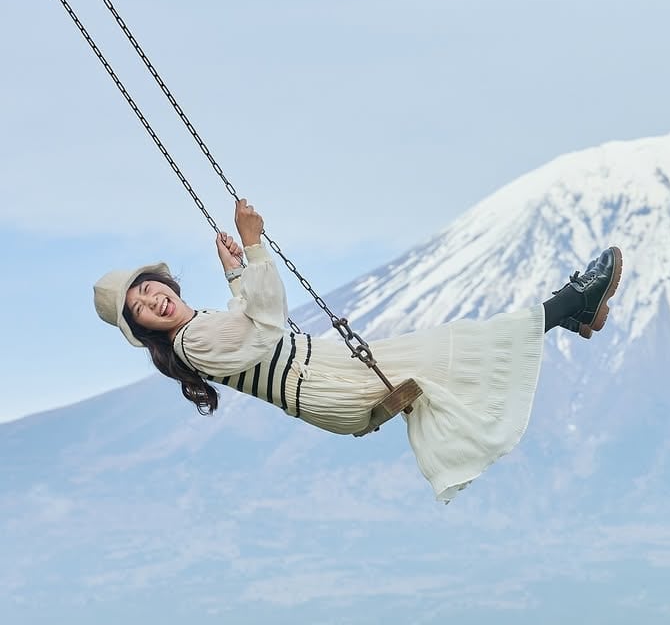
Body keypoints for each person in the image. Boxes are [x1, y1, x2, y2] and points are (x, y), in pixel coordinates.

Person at [94, 200, 622, 503]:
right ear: (145, 330)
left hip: (328, 375)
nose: (152, 299)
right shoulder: (194, 339)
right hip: (330, 387)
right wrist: (253, 246)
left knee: (452, 345)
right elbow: (269, 322)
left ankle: (570, 311)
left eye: (149, 287)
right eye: (140, 306)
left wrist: (237, 271)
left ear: (167, 284)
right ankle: (569, 302)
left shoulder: (201, 329)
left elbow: (252, 321)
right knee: (455, 347)